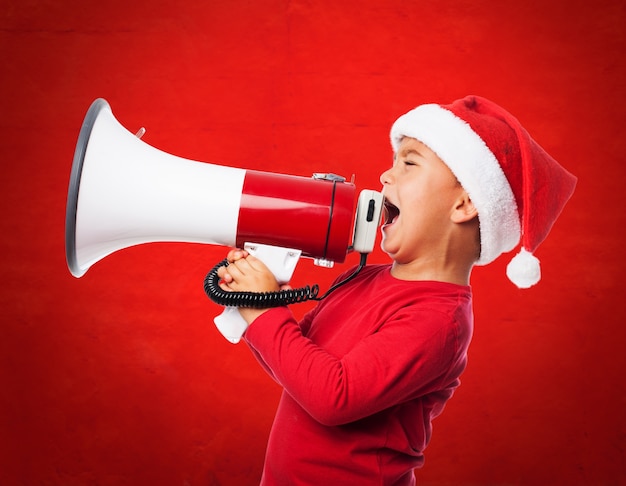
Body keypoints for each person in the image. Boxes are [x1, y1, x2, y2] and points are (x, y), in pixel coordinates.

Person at [217, 95, 577, 485]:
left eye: (408, 163)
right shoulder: (362, 279)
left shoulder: (440, 321)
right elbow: (297, 369)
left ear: (465, 203)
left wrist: (263, 310)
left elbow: (331, 397)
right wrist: (258, 300)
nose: (385, 176)